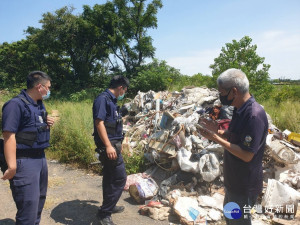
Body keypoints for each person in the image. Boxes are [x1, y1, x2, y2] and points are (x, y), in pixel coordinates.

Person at [198, 68, 268, 225]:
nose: (220, 96)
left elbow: (246, 154)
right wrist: (218, 131)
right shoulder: (239, 110)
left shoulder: (253, 115)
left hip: (244, 186)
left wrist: (215, 138)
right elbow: (236, 137)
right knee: (230, 218)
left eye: (222, 92)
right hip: (233, 182)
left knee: (238, 222)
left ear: (234, 91)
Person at [1, 71, 55, 225]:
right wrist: (12, 166)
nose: (49, 91)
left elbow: (33, 124)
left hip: (40, 158)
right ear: (39, 87)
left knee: (39, 201)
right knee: (28, 206)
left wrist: (47, 120)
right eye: (48, 87)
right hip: (24, 161)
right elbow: (8, 136)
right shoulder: (15, 105)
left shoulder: (38, 104)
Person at [93, 75, 129, 225]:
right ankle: (104, 213)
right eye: (125, 90)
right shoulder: (103, 99)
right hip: (108, 146)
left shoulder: (112, 101)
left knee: (109, 177)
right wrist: (108, 146)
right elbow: (99, 123)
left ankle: (108, 206)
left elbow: (112, 123)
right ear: (121, 87)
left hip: (114, 144)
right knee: (120, 178)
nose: (124, 93)